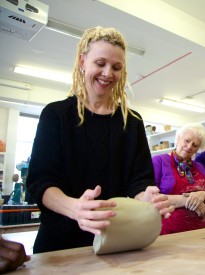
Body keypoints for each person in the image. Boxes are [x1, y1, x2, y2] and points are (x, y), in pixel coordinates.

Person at [26, 27, 173, 254]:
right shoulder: (55, 115)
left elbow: (139, 181)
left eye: (116, 67)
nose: (107, 73)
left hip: (112, 242)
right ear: (82, 61)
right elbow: (40, 181)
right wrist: (76, 208)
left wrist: (148, 198)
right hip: (57, 247)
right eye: (100, 63)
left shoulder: (131, 122)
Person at [152, 123, 205, 234]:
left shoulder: (199, 167)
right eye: (187, 141)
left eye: (195, 145)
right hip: (170, 234)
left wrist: (204, 194)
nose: (189, 147)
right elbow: (153, 199)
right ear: (178, 138)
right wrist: (192, 201)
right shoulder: (158, 161)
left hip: (203, 232)